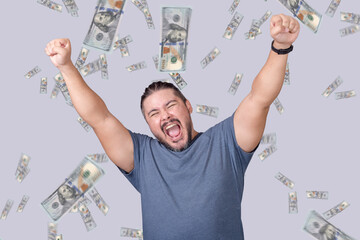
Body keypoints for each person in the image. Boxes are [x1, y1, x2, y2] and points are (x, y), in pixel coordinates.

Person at [45, 14, 300, 240]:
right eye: (154, 113)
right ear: (148, 124)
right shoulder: (142, 157)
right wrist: (66, 66)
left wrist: (281, 46)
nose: (164, 116)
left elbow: (260, 99)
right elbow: (98, 117)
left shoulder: (226, 142)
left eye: (171, 105)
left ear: (188, 106)